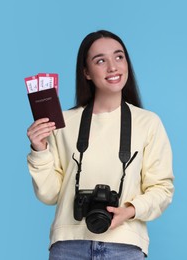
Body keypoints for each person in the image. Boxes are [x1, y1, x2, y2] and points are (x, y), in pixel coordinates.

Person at [26, 30, 174, 259]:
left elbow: (162, 189)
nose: (113, 67)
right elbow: (50, 194)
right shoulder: (63, 123)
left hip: (125, 246)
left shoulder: (149, 123)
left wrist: (130, 211)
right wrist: (39, 150)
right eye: (100, 60)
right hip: (69, 246)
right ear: (86, 72)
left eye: (119, 57)